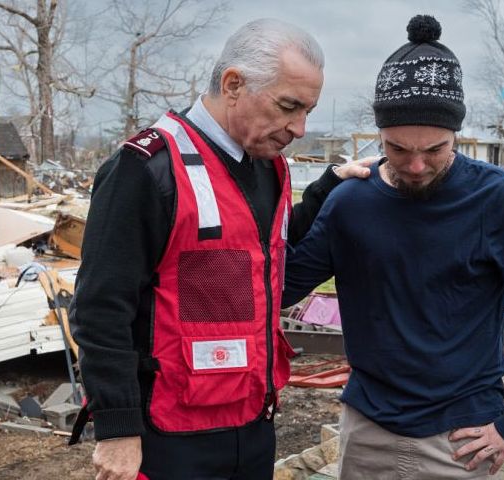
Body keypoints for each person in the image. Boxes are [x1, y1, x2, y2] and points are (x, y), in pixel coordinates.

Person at [282, 15, 504, 479]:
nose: (417, 165)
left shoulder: (497, 199)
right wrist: (322, 190)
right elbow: (276, 288)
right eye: (398, 148)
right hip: (366, 431)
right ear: (379, 134)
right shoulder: (351, 203)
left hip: (462, 441)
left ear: (457, 136)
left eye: (436, 149)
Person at [70, 18, 372, 480]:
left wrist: (328, 187)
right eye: (289, 106)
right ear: (233, 84)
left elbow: (258, 256)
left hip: (252, 426)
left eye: (307, 110)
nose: (299, 128)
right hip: (169, 438)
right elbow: (100, 308)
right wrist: (117, 430)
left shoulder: (269, 169)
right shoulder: (148, 169)